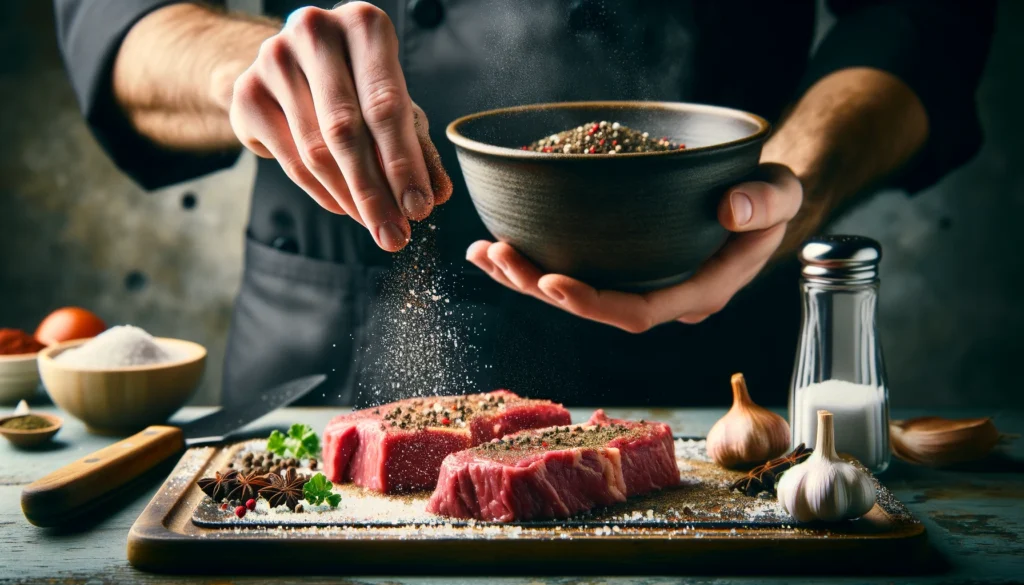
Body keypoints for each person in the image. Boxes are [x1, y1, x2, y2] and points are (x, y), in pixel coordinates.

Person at [54, 0, 994, 408]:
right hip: (334, 342)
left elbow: (924, 20)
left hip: (699, 321)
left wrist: (791, 183)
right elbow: (121, 23)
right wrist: (248, 71)